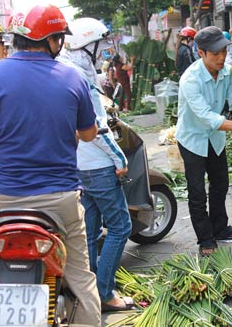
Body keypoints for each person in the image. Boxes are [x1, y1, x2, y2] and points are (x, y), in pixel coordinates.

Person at [0, 4, 100, 325]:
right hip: (59, 202)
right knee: (80, 277)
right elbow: (89, 134)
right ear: (52, 40)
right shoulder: (72, 77)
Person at [59, 17, 134, 312]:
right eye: (99, 44)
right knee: (120, 227)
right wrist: (120, 158)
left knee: (89, 232)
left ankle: (88, 292)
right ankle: (104, 292)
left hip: (78, 167)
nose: (103, 49)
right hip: (98, 166)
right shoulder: (81, 79)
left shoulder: (67, 71)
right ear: (86, 45)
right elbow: (97, 130)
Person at [175, 26, 232, 256]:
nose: (221, 57)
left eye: (223, 51)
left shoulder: (227, 72)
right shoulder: (190, 80)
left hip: (215, 139)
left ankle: (220, 228)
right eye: (215, 53)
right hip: (192, 140)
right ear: (201, 53)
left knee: (221, 183)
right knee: (197, 192)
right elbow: (206, 117)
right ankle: (205, 239)